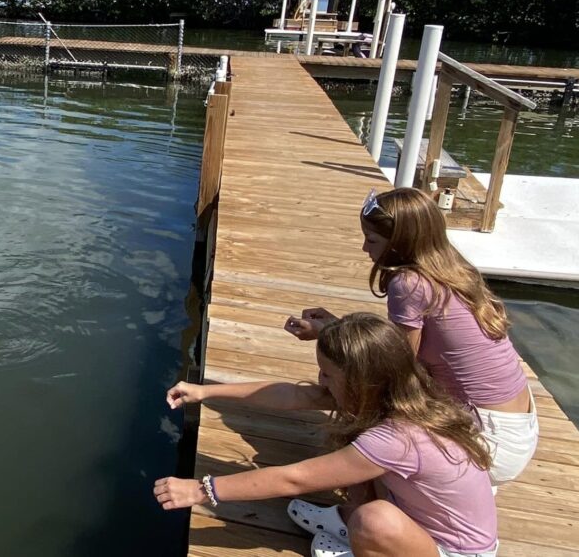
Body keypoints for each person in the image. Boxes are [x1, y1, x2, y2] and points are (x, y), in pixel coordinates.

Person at [155, 313, 498, 557]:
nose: (321, 381)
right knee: (355, 461)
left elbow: (295, 479)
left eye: (328, 375)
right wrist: (205, 392)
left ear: (362, 380)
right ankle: (353, 525)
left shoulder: (399, 437)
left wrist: (201, 490)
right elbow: (291, 395)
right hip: (418, 515)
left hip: (454, 551)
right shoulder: (401, 393)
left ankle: (364, 540)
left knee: (374, 520)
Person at [284, 187, 538, 486]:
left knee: (369, 394)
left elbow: (395, 367)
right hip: (518, 429)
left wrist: (329, 338)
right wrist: (334, 327)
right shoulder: (453, 268)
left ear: (400, 244)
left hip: (485, 440)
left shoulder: (409, 283)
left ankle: (367, 509)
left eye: (372, 240)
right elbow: (398, 348)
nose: (366, 249)